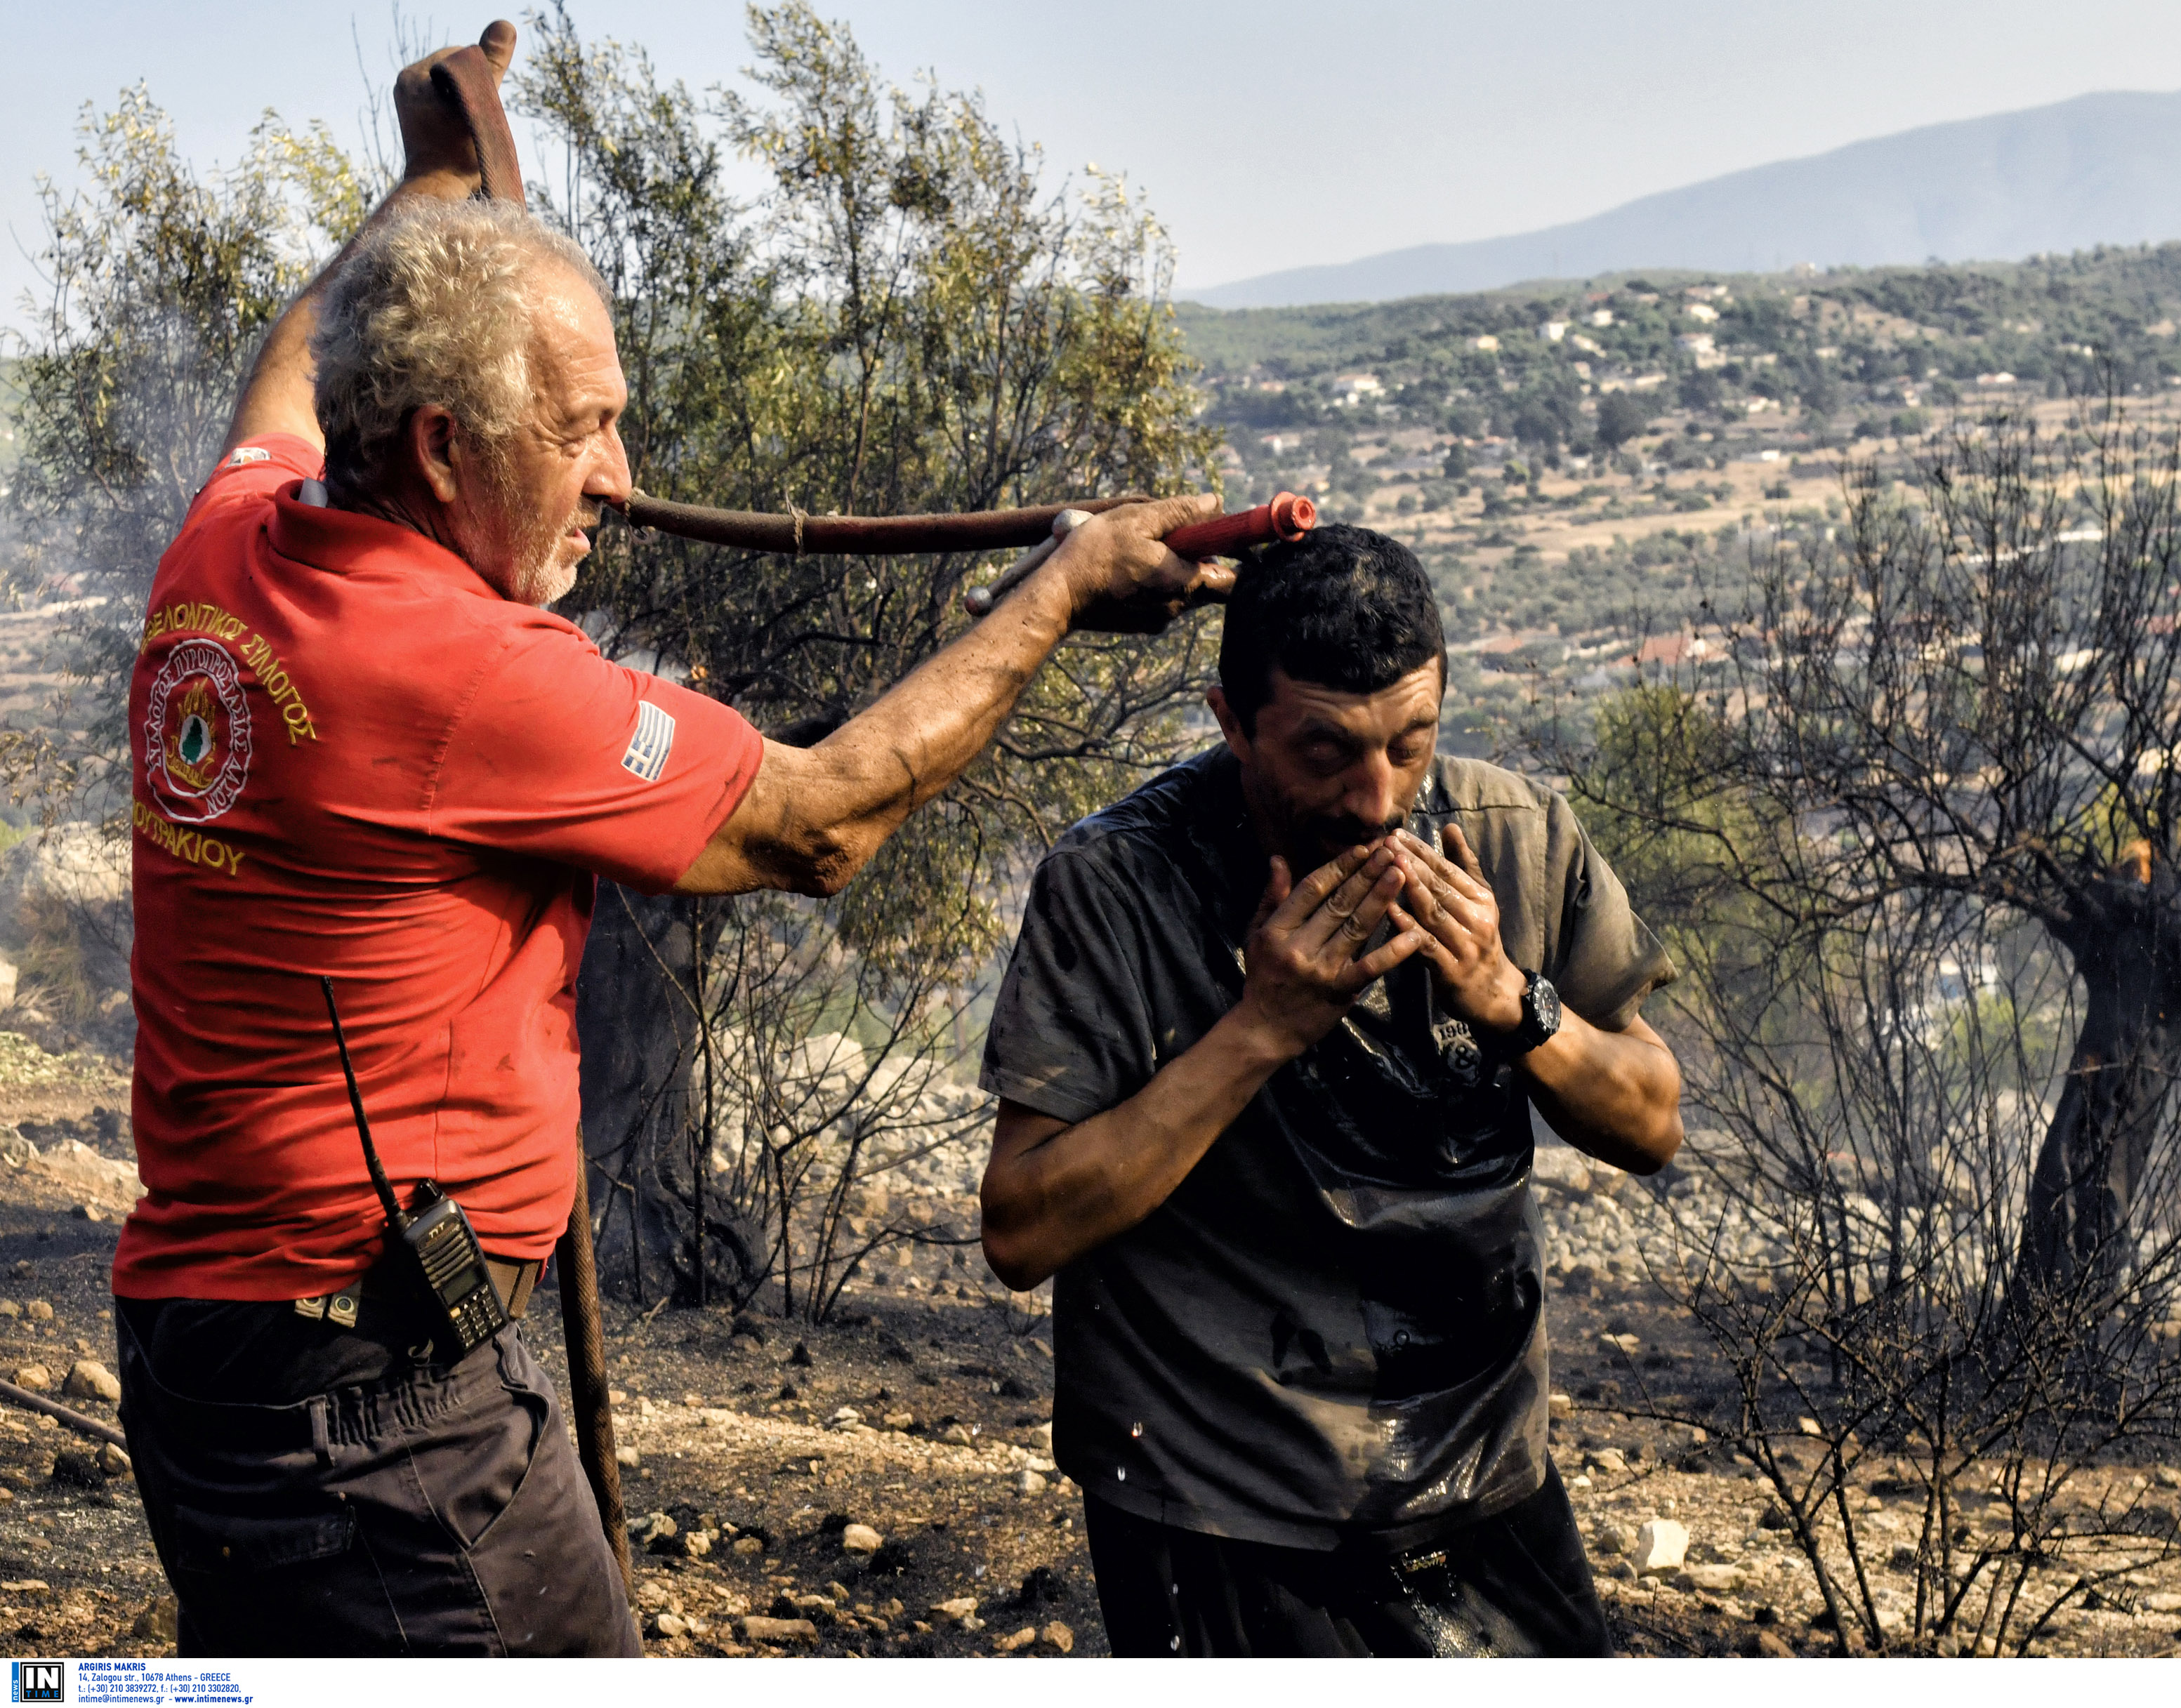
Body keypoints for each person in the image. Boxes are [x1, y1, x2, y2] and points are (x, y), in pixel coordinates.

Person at [111, 22, 1220, 1657]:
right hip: (378, 1416)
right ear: (439, 445)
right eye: (581, 429)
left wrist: (425, 191)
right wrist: (1058, 588)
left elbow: (288, 369)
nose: (616, 479)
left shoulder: (226, 546)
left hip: (222, 1354)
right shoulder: (465, 672)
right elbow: (824, 819)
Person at [977, 525, 1684, 1657]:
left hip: (1476, 1473)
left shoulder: (1516, 838)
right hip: (1217, 1494)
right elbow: (1020, 1227)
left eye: (1412, 743)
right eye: (1325, 751)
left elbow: (1652, 1120)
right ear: (1233, 724)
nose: (1377, 798)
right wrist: (1257, 1031)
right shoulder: (1117, 884)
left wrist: (1510, 998)